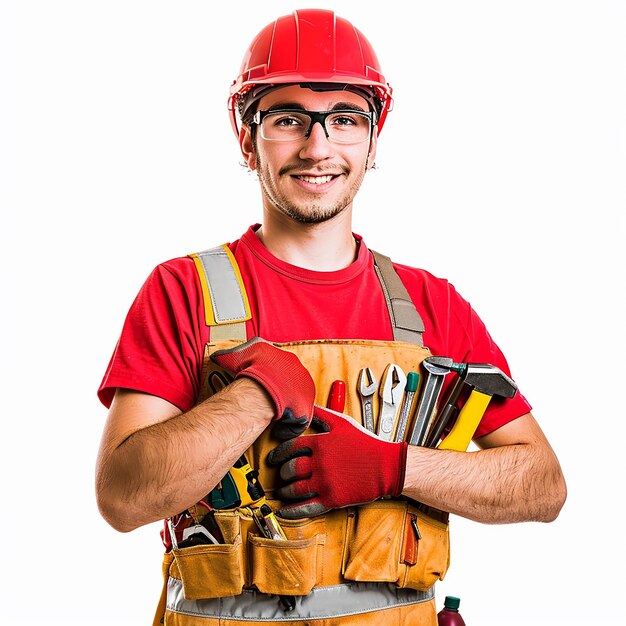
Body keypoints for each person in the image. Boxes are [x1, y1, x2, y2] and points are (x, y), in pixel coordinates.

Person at [95, 8, 566, 626]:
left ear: (372, 140)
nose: (318, 147)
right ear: (246, 137)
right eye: (288, 119)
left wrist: (394, 468)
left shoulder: (430, 306)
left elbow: (542, 485)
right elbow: (123, 499)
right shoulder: (185, 292)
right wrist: (254, 397)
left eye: (344, 119)